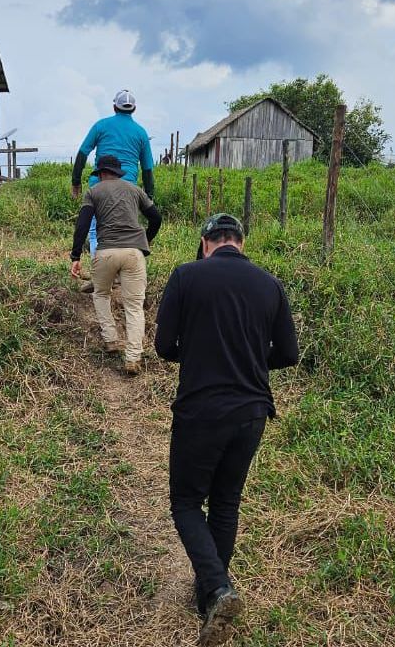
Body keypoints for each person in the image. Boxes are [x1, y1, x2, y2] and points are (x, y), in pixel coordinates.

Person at [154, 214, 299, 646]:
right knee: (225, 501)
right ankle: (209, 597)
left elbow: (164, 347)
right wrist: (251, 360)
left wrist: (199, 354)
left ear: (205, 243)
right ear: (241, 241)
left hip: (202, 410)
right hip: (252, 412)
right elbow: (289, 354)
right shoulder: (269, 283)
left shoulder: (186, 276)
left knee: (184, 502)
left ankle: (217, 588)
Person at [70, 155, 162, 374]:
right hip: (133, 253)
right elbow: (156, 218)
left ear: (101, 173)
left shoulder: (94, 192)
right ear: (118, 172)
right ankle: (132, 359)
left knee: (101, 294)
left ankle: (111, 340)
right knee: (134, 306)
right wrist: (146, 239)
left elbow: (82, 225)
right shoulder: (135, 190)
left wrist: (75, 257)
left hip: (106, 253)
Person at [71, 90, 155, 288]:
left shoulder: (101, 126)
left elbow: (83, 152)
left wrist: (76, 181)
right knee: (124, 231)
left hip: (98, 187)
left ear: (114, 107)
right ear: (133, 109)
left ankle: (99, 276)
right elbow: (148, 168)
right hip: (129, 191)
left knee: (95, 231)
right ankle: (122, 275)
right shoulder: (141, 133)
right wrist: (148, 196)